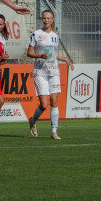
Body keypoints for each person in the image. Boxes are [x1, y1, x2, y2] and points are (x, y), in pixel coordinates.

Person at [27, 10, 74, 139]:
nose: (46, 20)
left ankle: (54, 132)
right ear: (42, 20)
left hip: (53, 71)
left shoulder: (55, 35)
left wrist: (65, 60)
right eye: (44, 18)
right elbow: (29, 53)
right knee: (44, 104)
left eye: (48, 18)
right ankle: (33, 120)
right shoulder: (36, 34)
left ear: (52, 20)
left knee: (54, 101)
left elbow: (54, 53)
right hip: (40, 71)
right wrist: (40, 55)